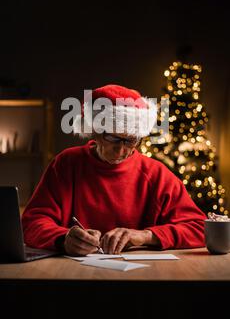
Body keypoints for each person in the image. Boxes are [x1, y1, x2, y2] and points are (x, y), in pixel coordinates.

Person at [22, 84, 206, 256]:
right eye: (112, 137)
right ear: (95, 130)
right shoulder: (66, 164)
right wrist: (63, 239)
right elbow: (31, 224)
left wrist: (145, 236)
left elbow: (200, 228)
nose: (121, 150)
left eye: (130, 140)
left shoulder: (156, 174)